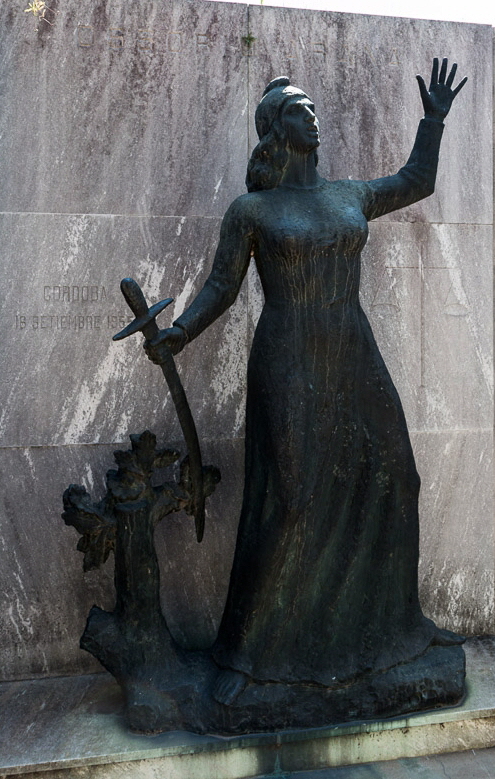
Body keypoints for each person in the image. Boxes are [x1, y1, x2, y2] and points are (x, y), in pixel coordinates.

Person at [146, 59, 467, 709]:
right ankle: (251, 654)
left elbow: (415, 181)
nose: (313, 117)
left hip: (353, 350)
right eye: (300, 110)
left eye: (313, 108)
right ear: (275, 129)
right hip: (288, 356)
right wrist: (179, 331)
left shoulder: (349, 196)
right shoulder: (252, 210)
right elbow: (221, 286)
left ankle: (395, 628)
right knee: (292, 500)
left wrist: (432, 122)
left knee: (396, 478)